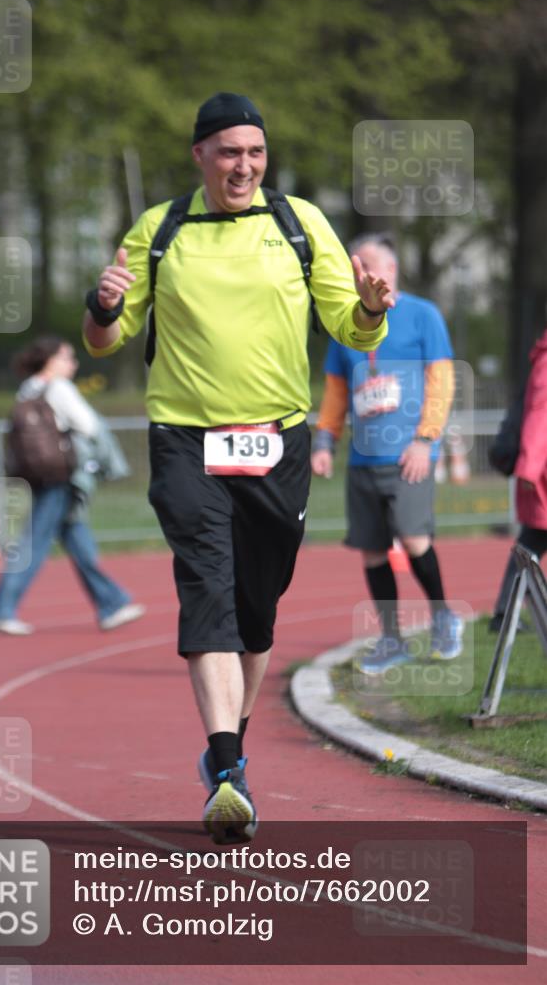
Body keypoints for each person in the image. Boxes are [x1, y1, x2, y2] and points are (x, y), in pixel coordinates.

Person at [82, 92, 390, 844]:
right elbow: (103, 341)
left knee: (256, 613)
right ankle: (225, 770)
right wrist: (99, 304)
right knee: (207, 592)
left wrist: (373, 309)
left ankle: (229, 749)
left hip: (276, 445)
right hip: (186, 440)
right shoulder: (160, 230)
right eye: (228, 152)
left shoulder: (298, 224)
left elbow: (346, 322)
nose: (243, 165)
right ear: (200, 156)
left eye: (253, 152)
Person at [311, 233, 463, 675]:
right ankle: (392, 639)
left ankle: (442, 618)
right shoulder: (344, 322)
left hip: (408, 454)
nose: (359, 274)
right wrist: (325, 442)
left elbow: (442, 382)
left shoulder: (422, 315)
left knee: (415, 540)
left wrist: (425, 439)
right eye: (353, 266)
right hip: (364, 459)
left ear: (391, 272)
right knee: (373, 551)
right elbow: (336, 392)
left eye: (369, 265)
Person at [0, 336, 145, 635]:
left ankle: (111, 603)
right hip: (62, 474)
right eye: (68, 357)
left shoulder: (28, 388)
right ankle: (1, 609)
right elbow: (89, 425)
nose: (73, 363)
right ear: (51, 360)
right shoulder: (59, 388)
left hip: (39, 472)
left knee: (75, 535)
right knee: (34, 541)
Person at [490, 329, 547, 631]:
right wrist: (528, 468)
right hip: (541, 474)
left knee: (530, 544)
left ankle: (504, 614)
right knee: (530, 545)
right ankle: (504, 614)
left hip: (537, 470)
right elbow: (539, 417)